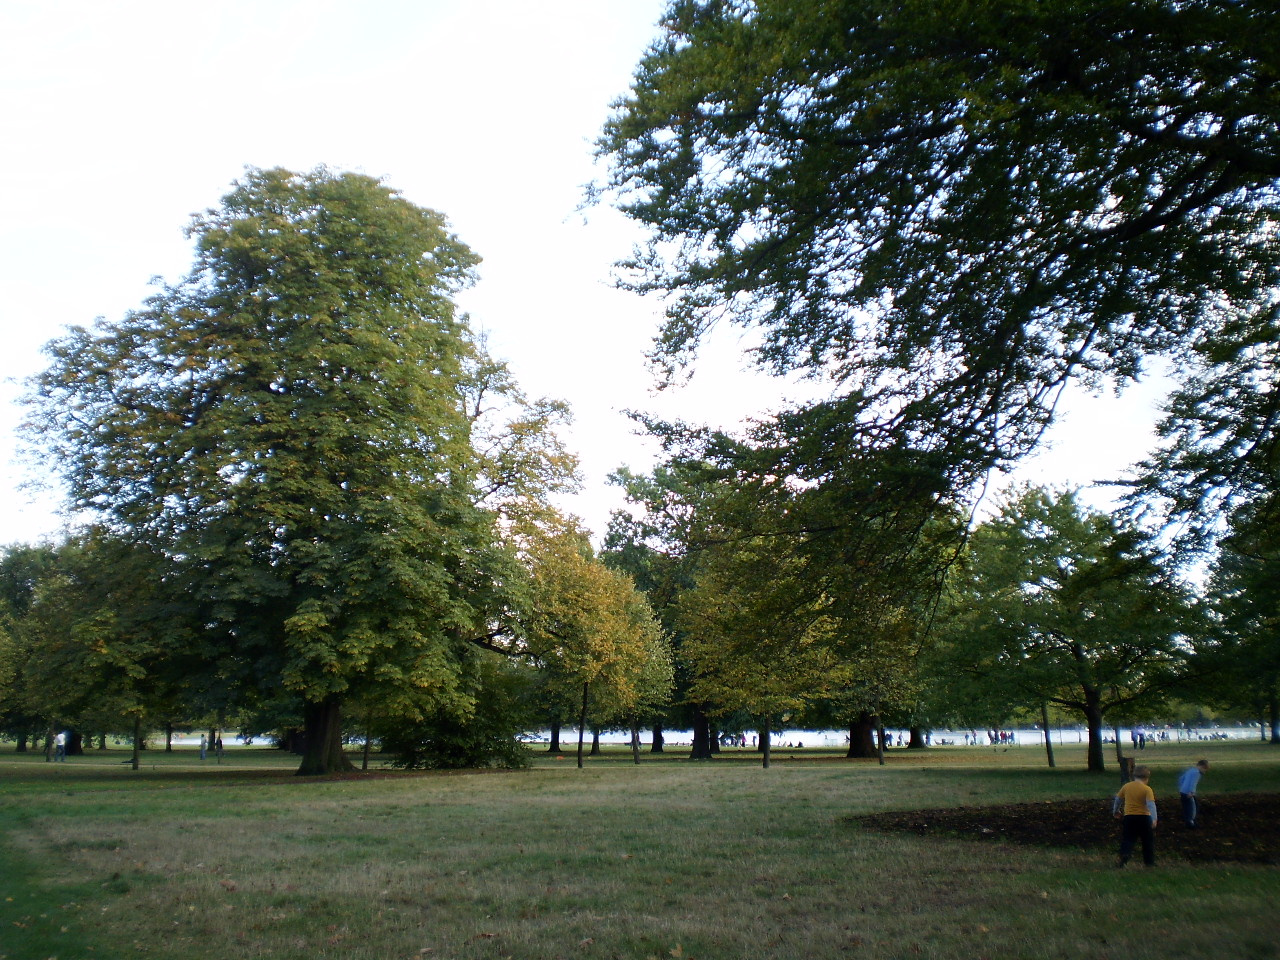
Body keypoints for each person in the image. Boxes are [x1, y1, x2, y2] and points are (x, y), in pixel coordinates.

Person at [1113, 764, 1158, 867]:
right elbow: (1151, 805)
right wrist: (1154, 819)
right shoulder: (1147, 789)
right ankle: (1149, 862)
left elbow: (1118, 800)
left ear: (1134, 776)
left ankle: (1125, 855)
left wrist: (1115, 811)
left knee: (1128, 838)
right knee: (1147, 840)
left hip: (1129, 817)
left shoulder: (1126, 786)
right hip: (1144, 817)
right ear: (1147, 778)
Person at [1177, 759, 1209, 828]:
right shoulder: (1197, 773)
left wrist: (1181, 788)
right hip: (1189, 793)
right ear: (1202, 766)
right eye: (1205, 769)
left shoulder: (1191, 770)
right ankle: (1191, 822)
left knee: (1185, 807)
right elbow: (1193, 783)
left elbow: (1181, 778)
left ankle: (1187, 821)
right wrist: (1192, 792)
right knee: (1193, 807)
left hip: (1183, 792)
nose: (1204, 772)